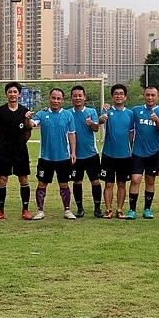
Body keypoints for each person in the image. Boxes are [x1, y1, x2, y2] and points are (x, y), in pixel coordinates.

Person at [29, 88, 77, 219]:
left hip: (63, 157)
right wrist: (28, 119)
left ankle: (67, 210)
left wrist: (73, 152)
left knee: (64, 184)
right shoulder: (42, 114)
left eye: (58, 98)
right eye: (53, 98)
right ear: (50, 98)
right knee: (41, 184)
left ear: (62, 100)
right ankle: (40, 211)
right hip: (45, 157)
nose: (56, 101)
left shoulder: (68, 115)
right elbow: (32, 124)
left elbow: (72, 134)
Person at [0, 82, 32, 221]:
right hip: (4, 150)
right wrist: (3, 144)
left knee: (23, 178)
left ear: (19, 94)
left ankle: (25, 210)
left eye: (15, 92)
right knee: (2, 179)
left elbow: (28, 132)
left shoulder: (24, 111)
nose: (12, 94)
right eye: (10, 92)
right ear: (6, 94)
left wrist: (20, 143)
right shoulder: (0, 111)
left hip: (20, 150)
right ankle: (0, 211)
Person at [128, 85, 159, 219]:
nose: (150, 97)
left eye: (153, 95)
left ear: (157, 97)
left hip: (154, 152)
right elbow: (128, 125)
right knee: (135, 179)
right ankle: (132, 210)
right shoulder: (136, 110)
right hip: (138, 152)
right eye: (148, 95)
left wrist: (157, 120)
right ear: (144, 96)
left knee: (150, 180)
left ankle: (147, 209)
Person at [97, 84, 136, 219]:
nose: (118, 96)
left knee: (121, 184)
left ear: (125, 97)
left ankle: (119, 209)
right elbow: (100, 121)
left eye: (121, 93)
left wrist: (130, 150)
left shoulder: (130, 114)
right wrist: (102, 118)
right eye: (116, 93)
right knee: (108, 184)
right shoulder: (107, 111)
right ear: (112, 96)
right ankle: (108, 209)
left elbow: (131, 134)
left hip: (125, 156)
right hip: (109, 154)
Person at [69, 85, 102, 218]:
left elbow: (96, 129)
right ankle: (79, 208)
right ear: (71, 97)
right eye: (75, 95)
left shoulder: (91, 111)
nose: (78, 98)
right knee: (77, 182)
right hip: (75, 155)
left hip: (91, 154)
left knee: (95, 181)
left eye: (80, 95)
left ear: (84, 97)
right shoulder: (68, 113)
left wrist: (91, 124)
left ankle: (97, 208)